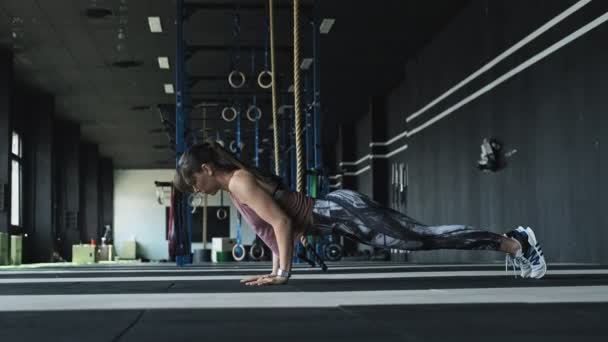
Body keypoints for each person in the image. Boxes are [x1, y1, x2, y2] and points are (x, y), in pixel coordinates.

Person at [174, 139, 547, 286]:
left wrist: (283, 273)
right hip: (342, 216)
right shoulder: (236, 186)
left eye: (194, 183)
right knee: (424, 237)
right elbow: (273, 231)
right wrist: (273, 271)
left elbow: (283, 222)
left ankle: (516, 245)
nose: (196, 191)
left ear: (206, 170)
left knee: (424, 237)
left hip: (342, 212)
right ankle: (515, 242)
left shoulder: (238, 182)